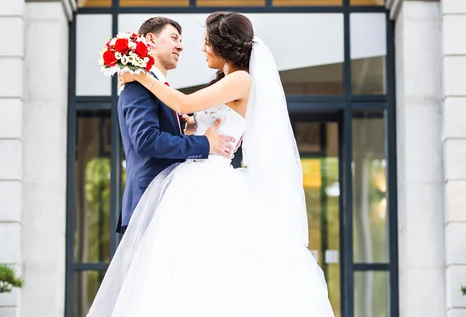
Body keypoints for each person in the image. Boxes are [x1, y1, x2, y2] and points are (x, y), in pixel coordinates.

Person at [87, 12, 335, 317]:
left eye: (206, 43)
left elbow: (183, 103)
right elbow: (186, 119)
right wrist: (193, 130)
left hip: (211, 179)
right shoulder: (227, 81)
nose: (201, 49)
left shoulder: (241, 79)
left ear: (223, 44)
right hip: (194, 177)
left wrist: (140, 74)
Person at [116, 16, 236, 234]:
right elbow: (147, 141)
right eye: (174, 38)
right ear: (150, 40)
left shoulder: (159, 88)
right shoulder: (137, 85)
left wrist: (189, 130)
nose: (181, 46)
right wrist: (204, 143)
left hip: (168, 203)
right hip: (148, 204)